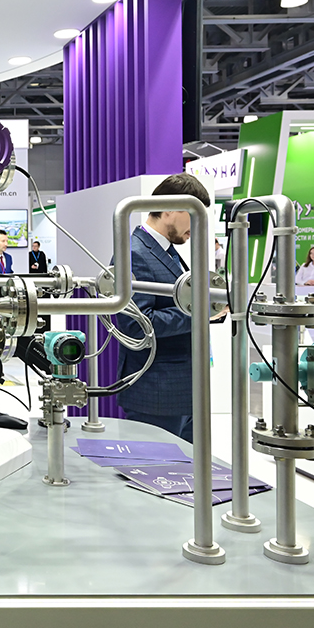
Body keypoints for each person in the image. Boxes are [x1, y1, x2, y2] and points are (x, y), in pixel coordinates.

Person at [116, 173, 226, 443]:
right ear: (167, 209)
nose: (198, 224)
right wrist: (201, 312)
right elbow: (138, 326)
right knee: (156, 467)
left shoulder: (165, 251)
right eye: (193, 214)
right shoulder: (134, 253)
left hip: (183, 390)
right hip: (157, 393)